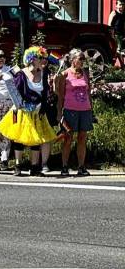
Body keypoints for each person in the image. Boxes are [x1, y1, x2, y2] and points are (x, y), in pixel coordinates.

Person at [0, 46, 59, 176]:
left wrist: (47, 98)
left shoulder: (44, 73)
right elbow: (15, 92)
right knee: (19, 139)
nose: (42, 60)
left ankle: (34, 167)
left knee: (36, 139)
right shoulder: (21, 74)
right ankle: (18, 166)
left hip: (38, 111)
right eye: (39, 58)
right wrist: (20, 105)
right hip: (23, 111)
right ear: (31, 59)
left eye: (43, 58)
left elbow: (45, 92)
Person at [55, 49, 93, 177]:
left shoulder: (85, 73)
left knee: (82, 138)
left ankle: (81, 166)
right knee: (68, 138)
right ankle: (65, 166)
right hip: (70, 109)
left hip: (85, 110)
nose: (82, 61)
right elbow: (60, 96)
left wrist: (91, 111)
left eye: (83, 59)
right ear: (72, 60)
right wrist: (59, 113)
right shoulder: (65, 75)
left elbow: (89, 93)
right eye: (80, 58)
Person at [109, 1, 125, 67]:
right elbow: (109, 24)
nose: (122, 6)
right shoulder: (114, 13)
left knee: (120, 51)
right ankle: (122, 66)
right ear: (116, 5)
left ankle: (113, 66)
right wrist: (111, 34)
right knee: (117, 50)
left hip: (122, 35)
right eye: (120, 5)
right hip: (115, 34)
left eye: (123, 5)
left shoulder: (123, 14)